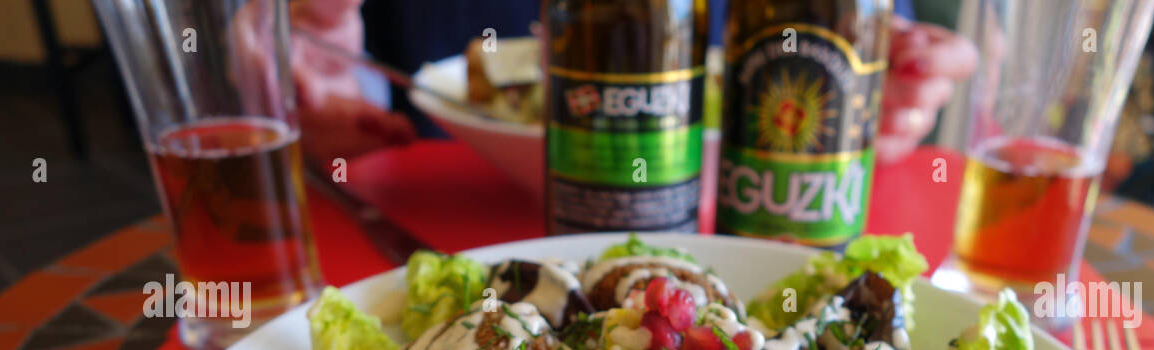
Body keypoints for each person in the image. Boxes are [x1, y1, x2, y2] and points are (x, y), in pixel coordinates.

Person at [288, 0, 976, 166]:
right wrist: (333, 75)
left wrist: (897, 80)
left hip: (748, 196)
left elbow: (865, 34)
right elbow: (365, 48)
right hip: (440, 194)